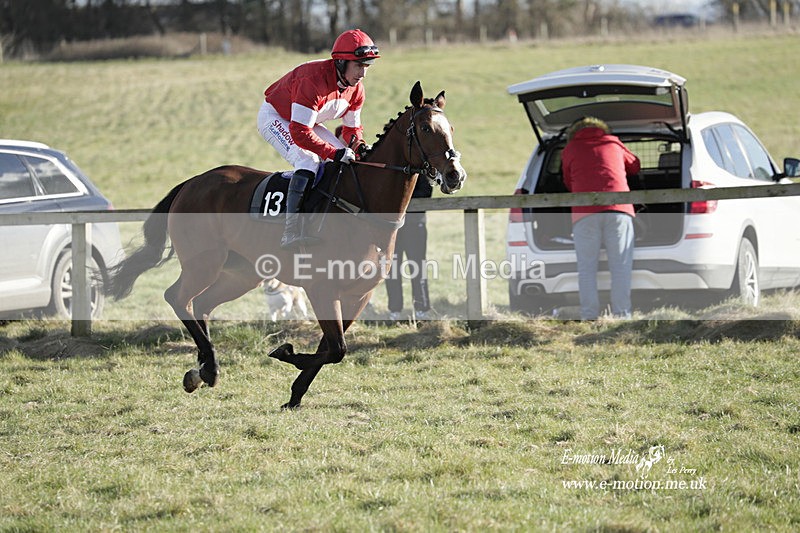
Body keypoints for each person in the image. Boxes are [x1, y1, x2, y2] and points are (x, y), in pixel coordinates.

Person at [257, 29, 379, 250]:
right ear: (341, 62)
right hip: (277, 117)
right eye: (359, 66)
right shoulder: (312, 81)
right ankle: (291, 231)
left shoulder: (356, 90)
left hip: (308, 123)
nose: (363, 74)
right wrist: (332, 152)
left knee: (345, 161)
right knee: (309, 161)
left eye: (367, 66)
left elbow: (351, 130)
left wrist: (359, 145)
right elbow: (299, 132)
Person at [561, 116, 641, 320]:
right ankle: (621, 315)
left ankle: (589, 315)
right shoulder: (613, 143)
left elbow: (568, 181)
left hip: (584, 213)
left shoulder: (570, 149)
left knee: (586, 269)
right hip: (618, 210)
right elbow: (635, 166)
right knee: (620, 266)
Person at [385, 177, 433, 321]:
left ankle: (421, 309)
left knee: (418, 266)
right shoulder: (392, 169)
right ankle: (394, 309)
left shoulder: (421, 172)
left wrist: (399, 198)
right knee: (392, 268)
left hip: (415, 224)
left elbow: (425, 193)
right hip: (392, 226)